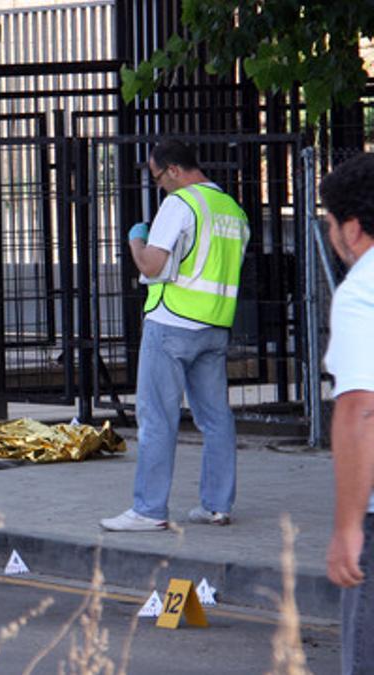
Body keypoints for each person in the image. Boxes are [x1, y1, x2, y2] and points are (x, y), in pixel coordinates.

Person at [101, 140, 250, 532]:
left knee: (156, 418)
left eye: (157, 179)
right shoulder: (232, 210)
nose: (159, 187)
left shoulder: (181, 204)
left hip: (171, 322)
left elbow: (151, 264)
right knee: (216, 418)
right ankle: (216, 505)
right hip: (215, 326)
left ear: (172, 170)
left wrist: (136, 239)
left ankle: (148, 510)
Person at [318, 153, 374, 675]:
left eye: (330, 223)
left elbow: (359, 410)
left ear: (352, 229)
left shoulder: (362, 291)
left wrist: (347, 526)